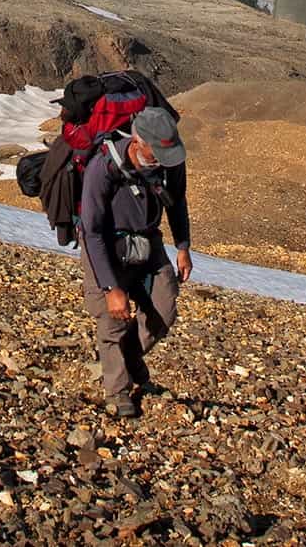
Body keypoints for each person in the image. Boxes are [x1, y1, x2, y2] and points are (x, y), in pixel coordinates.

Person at [77, 106, 193, 417]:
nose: (162, 160)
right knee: (112, 319)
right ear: (137, 140)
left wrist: (183, 245)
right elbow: (92, 231)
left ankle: (124, 360)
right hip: (107, 245)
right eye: (155, 152)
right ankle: (118, 391)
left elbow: (177, 200)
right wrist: (111, 286)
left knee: (164, 308)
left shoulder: (170, 163)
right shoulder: (102, 168)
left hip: (148, 240)